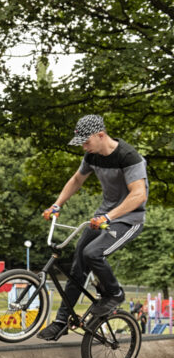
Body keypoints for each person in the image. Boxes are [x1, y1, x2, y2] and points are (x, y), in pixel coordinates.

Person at [38, 114, 148, 341]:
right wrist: (57, 204)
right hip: (102, 218)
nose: (84, 148)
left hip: (129, 220)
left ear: (101, 135)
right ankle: (61, 322)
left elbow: (138, 195)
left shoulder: (129, 157)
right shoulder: (92, 155)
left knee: (93, 253)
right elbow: (77, 180)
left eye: (86, 142)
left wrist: (110, 215)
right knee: (79, 262)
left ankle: (114, 294)